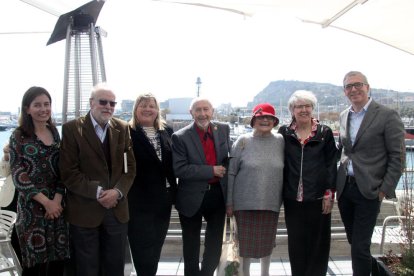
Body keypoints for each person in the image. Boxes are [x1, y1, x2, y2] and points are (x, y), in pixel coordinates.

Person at [59, 83, 136, 276]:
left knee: (115, 267)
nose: (108, 106)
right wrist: (99, 192)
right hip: (84, 211)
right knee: (87, 269)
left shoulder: (122, 128)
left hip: (116, 211)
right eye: (103, 101)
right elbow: (69, 172)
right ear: (91, 103)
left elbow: (130, 168)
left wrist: (117, 192)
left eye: (112, 103)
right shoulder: (71, 129)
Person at [337, 71, 405, 275]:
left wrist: (384, 190)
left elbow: (398, 157)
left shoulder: (386, 115)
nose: (353, 89)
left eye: (358, 84)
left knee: (359, 247)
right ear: (344, 92)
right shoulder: (343, 115)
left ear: (368, 87)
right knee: (357, 245)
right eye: (349, 86)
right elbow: (345, 149)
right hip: (345, 189)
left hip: (370, 190)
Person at [8, 86, 69, 275]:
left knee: (58, 263)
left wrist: (56, 201)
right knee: (35, 266)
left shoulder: (55, 133)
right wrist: (46, 202)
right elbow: (19, 174)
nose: (43, 109)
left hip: (58, 209)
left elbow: (63, 169)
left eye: (47, 104)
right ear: (27, 109)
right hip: (31, 209)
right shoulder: (18, 136)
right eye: (37, 105)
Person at [278, 90, 337, 276]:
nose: (303, 110)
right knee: (296, 242)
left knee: (318, 243)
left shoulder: (324, 132)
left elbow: (331, 164)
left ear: (312, 108)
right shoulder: (284, 132)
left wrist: (329, 193)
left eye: (307, 106)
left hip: (318, 197)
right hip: (292, 198)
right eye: (299, 106)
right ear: (292, 110)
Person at [171, 97, 231, 276]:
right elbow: (180, 169)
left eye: (206, 109)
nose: (202, 114)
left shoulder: (224, 129)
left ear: (212, 111)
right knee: (191, 244)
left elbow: (228, 158)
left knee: (214, 243)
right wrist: (211, 171)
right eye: (198, 110)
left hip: (218, 195)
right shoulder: (180, 137)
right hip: (190, 197)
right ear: (191, 113)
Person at [226, 103, 284, 276]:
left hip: (271, 204)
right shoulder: (242, 141)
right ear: (253, 120)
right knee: (244, 250)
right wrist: (229, 202)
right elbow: (231, 172)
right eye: (260, 117)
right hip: (243, 205)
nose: (265, 120)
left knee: (267, 247)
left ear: (274, 121)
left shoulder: (281, 141)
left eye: (269, 117)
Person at [127, 93, 177, 276]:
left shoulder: (167, 132)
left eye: (152, 106)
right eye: (143, 105)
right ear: (136, 109)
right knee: (142, 250)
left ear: (157, 110)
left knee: (156, 247)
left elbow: (172, 167)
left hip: (163, 202)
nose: (148, 109)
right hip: (138, 202)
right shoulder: (126, 133)